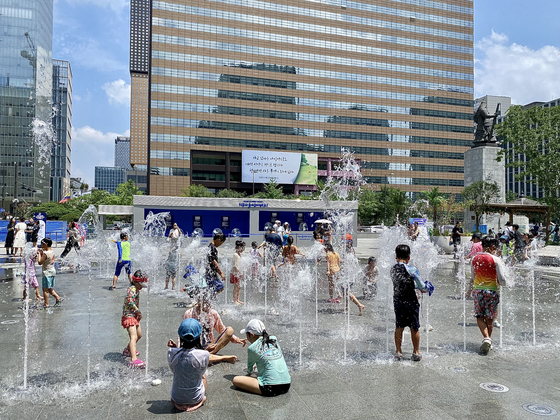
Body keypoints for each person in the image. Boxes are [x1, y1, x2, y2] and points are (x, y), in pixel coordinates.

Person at [232, 319, 291, 397]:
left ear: (251, 334)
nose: (247, 338)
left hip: (270, 388)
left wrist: (251, 370)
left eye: (247, 335)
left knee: (236, 380)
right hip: (287, 384)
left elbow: (250, 370)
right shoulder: (274, 339)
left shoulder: (252, 348)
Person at [390, 244, 429, 361]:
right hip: (411, 301)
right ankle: (416, 352)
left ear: (396, 256)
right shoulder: (412, 269)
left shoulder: (392, 268)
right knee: (414, 327)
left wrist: (415, 286)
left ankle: (398, 351)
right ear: (409, 257)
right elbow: (422, 286)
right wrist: (426, 288)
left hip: (398, 301)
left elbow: (400, 284)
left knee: (399, 326)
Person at [183, 294, 245, 364]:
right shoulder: (189, 313)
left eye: (210, 303)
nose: (208, 306)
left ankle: (208, 356)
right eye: (206, 303)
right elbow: (183, 333)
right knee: (194, 355)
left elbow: (222, 329)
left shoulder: (213, 313)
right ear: (199, 301)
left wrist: (236, 339)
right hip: (193, 349)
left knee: (229, 330)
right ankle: (217, 358)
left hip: (210, 347)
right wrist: (178, 348)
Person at [471, 236, 507, 355]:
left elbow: (472, 277)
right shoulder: (496, 260)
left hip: (478, 291)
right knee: (490, 318)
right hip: (491, 291)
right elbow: (502, 279)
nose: (496, 250)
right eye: (495, 248)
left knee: (479, 317)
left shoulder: (474, 259)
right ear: (492, 247)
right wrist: (506, 284)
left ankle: (487, 339)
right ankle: (488, 339)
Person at [167, 318, 209, 412]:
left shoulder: (171, 352)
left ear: (180, 336)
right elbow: (201, 372)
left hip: (176, 398)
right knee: (203, 376)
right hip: (196, 398)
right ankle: (201, 400)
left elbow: (174, 370)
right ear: (198, 337)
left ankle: (176, 403)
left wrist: (175, 349)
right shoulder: (204, 355)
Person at [122, 270, 148, 368]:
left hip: (133, 315)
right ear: (136, 282)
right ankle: (133, 360)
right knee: (133, 337)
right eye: (141, 284)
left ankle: (127, 350)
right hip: (128, 316)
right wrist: (137, 311)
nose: (142, 286)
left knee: (139, 335)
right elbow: (129, 302)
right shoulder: (132, 289)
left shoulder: (136, 289)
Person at [38, 238, 63, 309]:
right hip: (52, 270)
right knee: (49, 288)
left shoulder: (45, 253)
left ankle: (46, 304)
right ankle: (58, 298)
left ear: (46, 244)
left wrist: (39, 254)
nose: (41, 245)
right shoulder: (51, 251)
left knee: (45, 289)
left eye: (42, 244)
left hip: (47, 272)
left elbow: (40, 262)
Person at [231, 240, 245, 305]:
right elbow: (235, 265)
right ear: (239, 247)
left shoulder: (239, 254)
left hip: (239, 273)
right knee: (236, 287)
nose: (243, 249)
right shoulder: (235, 254)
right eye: (243, 248)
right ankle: (235, 300)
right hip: (235, 273)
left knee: (239, 287)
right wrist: (238, 271)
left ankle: (238, 299)